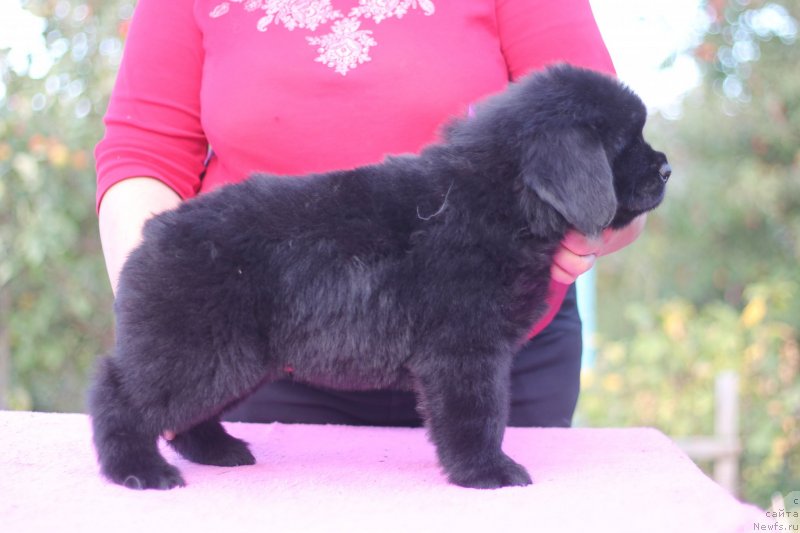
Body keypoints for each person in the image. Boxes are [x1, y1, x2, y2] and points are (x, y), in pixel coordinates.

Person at [96, 0, 647, 429]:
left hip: (495, 355)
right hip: (260, 345)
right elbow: (144, 154)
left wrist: (592, 230)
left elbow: (608, 142)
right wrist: (171, 337)